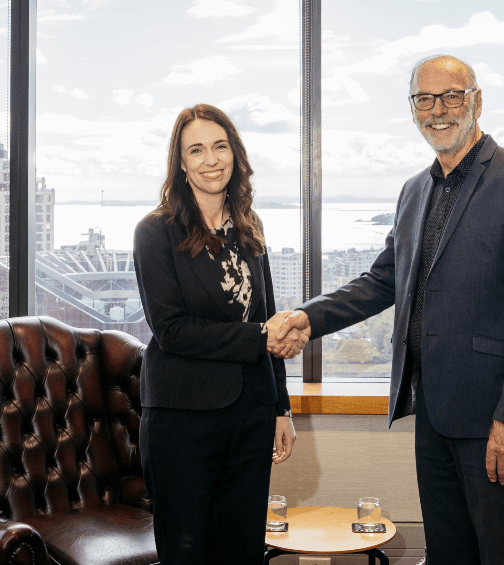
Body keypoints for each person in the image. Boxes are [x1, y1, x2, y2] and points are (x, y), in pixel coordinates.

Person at [277, 55, 504, 565]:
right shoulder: (414, 190)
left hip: (496, 420)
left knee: (503, 556)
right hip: (433, 412)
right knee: (448, 554)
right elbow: (382, 280)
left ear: (477, 101)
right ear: (412, 109)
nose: (438, 110)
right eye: (425, 99)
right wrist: (307, 318)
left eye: (452, 96)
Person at [134, 104, 310, 565]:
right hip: (182, 420)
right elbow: (171, 330)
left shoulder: (249, 225)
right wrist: (259, 338)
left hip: (250, 415)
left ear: (235, 154)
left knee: (243, 550)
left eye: (220, 146)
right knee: (188, 553)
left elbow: (267, 318)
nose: (211, 160)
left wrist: (281, 409)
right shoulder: (155, 231)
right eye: (196, 150)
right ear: (180, 163)